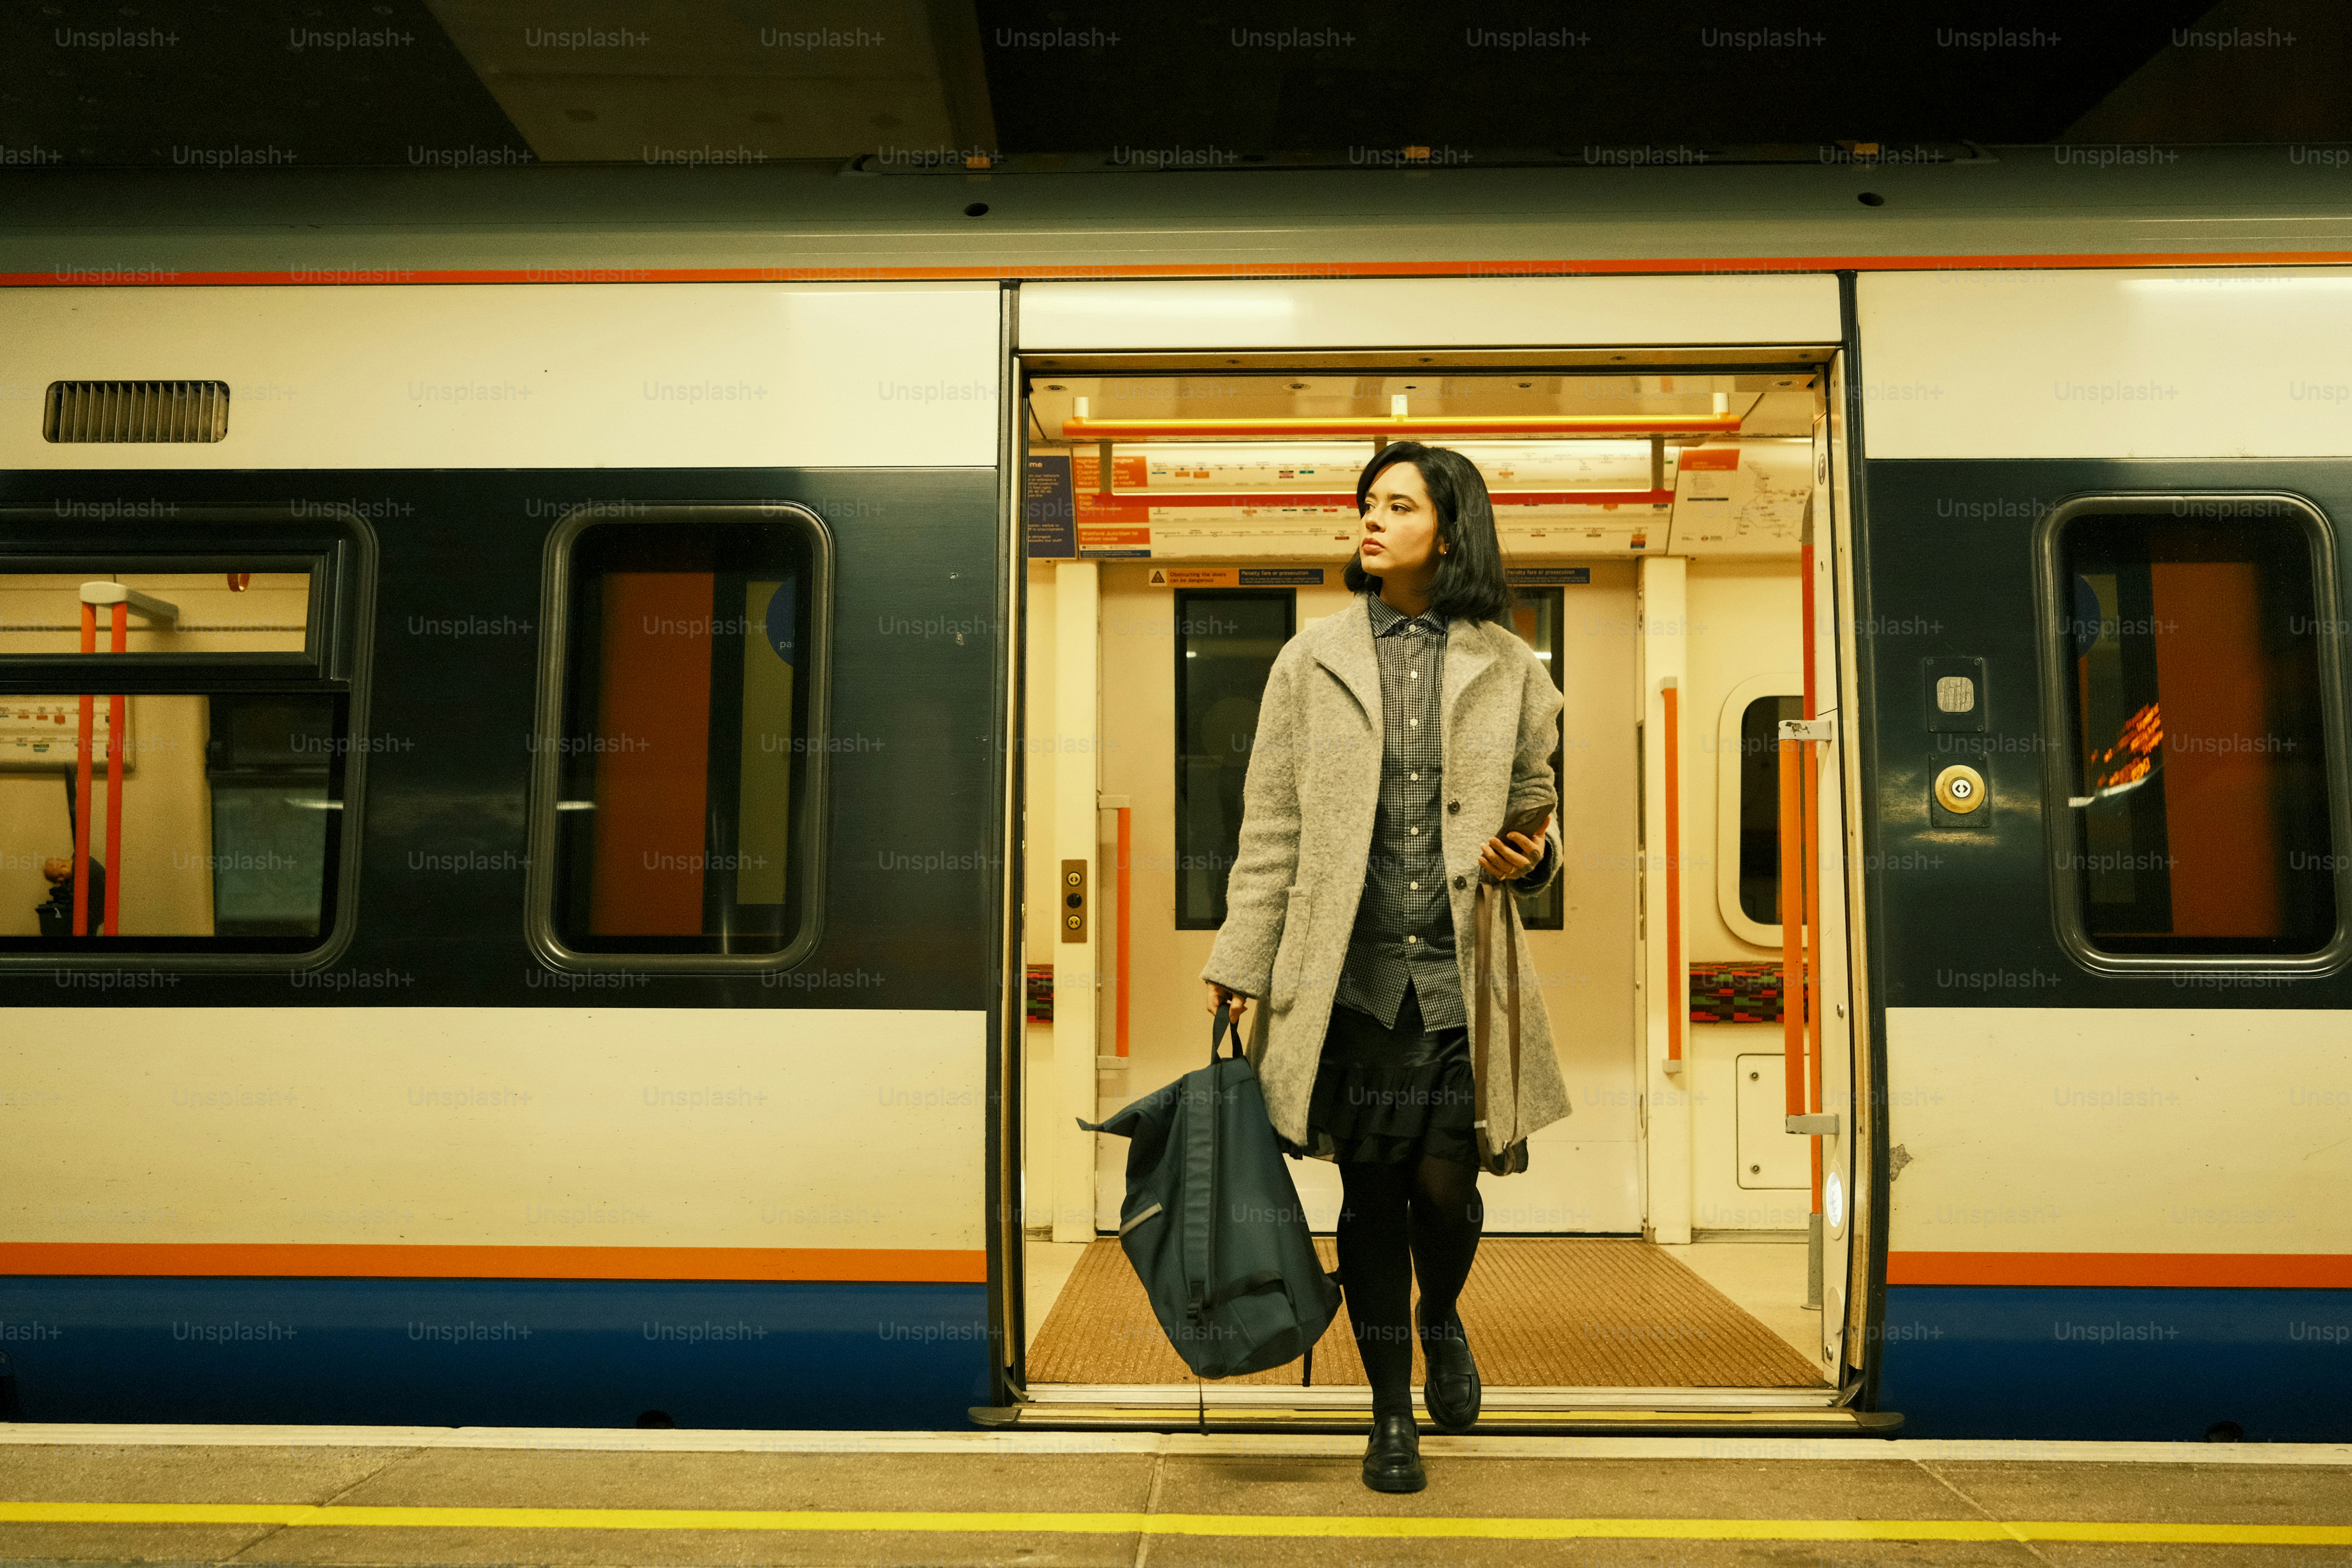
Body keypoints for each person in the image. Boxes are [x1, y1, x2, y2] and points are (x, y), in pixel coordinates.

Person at [1201, 440, 1572, 1494]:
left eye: (1399, 506)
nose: (1371, 518)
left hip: (1460, 986)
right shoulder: (1308, 660)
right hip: (1351, 986)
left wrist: (1535, 856)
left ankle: (1441, 1314)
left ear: (1449, 533)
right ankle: (1388, 1411)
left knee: (1447, 1197)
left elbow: (1539, 805)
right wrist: (1241, 958)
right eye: (1369, 503)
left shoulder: (1513, 666)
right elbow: (1271, 826)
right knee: (1370, 1204)